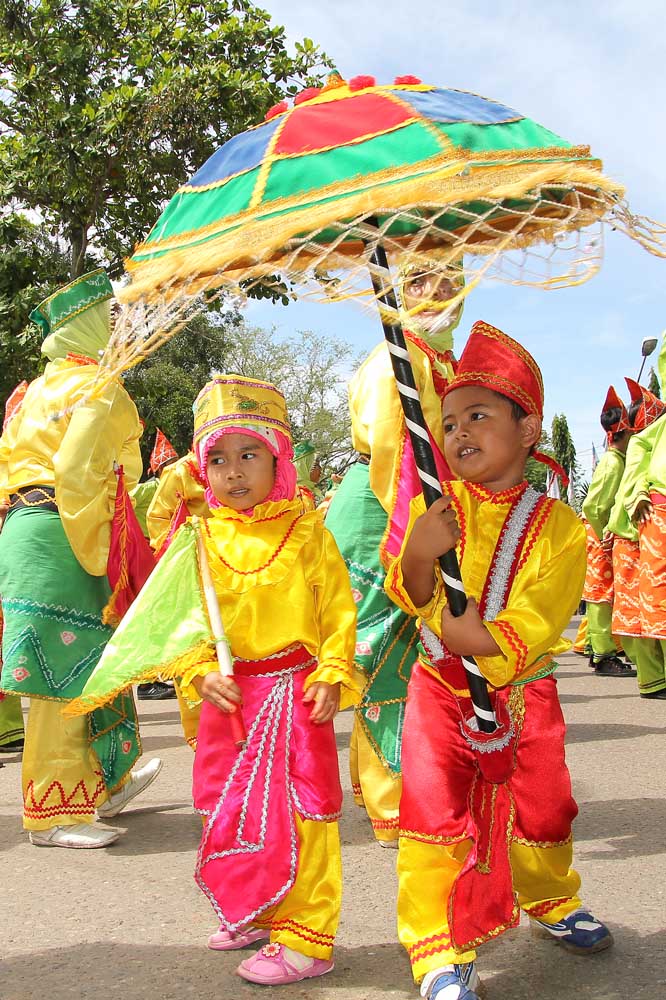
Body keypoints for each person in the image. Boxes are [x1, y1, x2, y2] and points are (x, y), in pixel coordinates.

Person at [70, 374, 359, 983]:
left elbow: (337, 610)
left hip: (293, 694)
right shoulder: (199, 539)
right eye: (218, 459)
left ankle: (308, 937)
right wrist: (201, 671)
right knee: (232, 805)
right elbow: (186, 623)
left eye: (249, 454)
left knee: (303, 809)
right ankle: (258, 906)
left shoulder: (308, 532)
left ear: (278, 460)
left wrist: (333, 669)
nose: (233, 472)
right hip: (229, 698)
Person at [385, 321, 612, 1000]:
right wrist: (422, 550)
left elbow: (541, 613)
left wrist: (483, 639)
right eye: (449, 423)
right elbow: (413, 591)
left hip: (525, 693)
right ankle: (435, 948)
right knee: (433, 811)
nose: (458, 434)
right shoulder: (437, 505)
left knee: (543, 809)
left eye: (478, 417)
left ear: (529, 428)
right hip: (436, 692)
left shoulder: (562, 528)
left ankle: (549, 898)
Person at [0, 270, 161, 849]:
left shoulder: (31, 393)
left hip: (25, 528)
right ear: (90, 327)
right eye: (114, 319)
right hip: (67, 527)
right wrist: (100, 543)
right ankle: (55, 813)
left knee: (90, 657)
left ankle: (106, 781)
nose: (123, 328)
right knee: (57, 668)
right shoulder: (101, 386)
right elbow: (79, 471)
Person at [325, 264, 463, 845]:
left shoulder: (440, 361)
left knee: (413, 655)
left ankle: (396, 788)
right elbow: (392, 459)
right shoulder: (393, 360)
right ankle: (395, 803)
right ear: (397, 290)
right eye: (422, 279)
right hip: (386, 514)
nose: (437, 293)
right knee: (387, 654)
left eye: (450, 278)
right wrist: (420, 543)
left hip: (418, 513)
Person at [607, 377, 666, 698]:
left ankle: (652, 678)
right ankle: (651, 676)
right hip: (637, 531)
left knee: (643, 609)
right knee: (648, 608)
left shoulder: (631, 453)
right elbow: (598, 503)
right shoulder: (619, 459)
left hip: (634, 531)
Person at [581, 386, 636, 677]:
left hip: (598, 531)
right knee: (601, 596)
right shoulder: (613, 463)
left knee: (600, 596)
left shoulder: (616, 461)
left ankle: (597, 650)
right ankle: (603, 656)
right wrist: (605, 534)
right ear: (623, 433)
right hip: (599, 534)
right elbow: (593, 506)